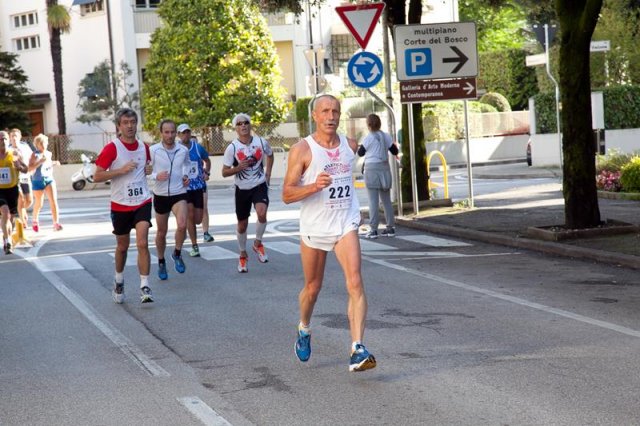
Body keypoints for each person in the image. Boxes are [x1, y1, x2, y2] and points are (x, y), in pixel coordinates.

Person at [282, 94, 377, 372]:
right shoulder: (302, 149)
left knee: (355, 282)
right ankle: (304, 327)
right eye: (325, 111)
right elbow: (287, 194)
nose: (331, 116)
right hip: (315, 226)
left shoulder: (349, 145)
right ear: (315, 116)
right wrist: (313, 186)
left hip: (344, 223)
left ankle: (357, 348)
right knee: (313, 288)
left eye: (335, 111)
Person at [94, 108, 154, 304]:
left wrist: (148, 170)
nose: (130, 126)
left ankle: (145, 285)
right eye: (125, 123)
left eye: (133, 122)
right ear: (119, 126)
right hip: (120, 204)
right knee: (122, 246)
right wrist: (120, 170)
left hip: (142, 201)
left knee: (143, 243)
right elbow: (97, 175)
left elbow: (146, 169)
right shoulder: (112, 148)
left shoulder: (144, 148)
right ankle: (118, 280)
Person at [222, 113, 274, 273]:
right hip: (242, 189)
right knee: (242, 224)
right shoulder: (232, 148)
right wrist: (238, 168)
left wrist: (268, 174)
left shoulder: (260, 142)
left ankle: (258, 243)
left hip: (259, 184)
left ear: (250, 125)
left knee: (262, 212)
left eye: (246, 123)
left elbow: (270, 155)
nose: (243, 126)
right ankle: (243, 254)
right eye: (239, 124)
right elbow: (224, 172)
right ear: (235, 128)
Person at [149, 119, 190, 281]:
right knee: (161, 232)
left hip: (179, 192)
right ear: (161, 133)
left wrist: (186, 175)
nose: (170, 135)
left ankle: (177, 253)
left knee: (182, 225)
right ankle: (161, 260)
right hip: (160, 195)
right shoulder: (153, 150)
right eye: (166, 132)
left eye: (172, 132)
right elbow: (143, 172)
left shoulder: (182, 149)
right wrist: (155, 176)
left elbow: (187, 165)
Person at [357, 113, 399, 239]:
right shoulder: (386, 136)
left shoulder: (368, 138)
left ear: (368, 125)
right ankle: (390, 228)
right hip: (385, 169)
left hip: (372, 170)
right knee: (386, 200)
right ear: (379, 123)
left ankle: (374, 229)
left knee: (373, 201)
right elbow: (395, 151)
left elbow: (360, 153)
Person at [177, 123, 211, 258]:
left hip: (198, 187)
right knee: (190, 215)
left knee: (198, 219)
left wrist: (207, 172)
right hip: (185, 188)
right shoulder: (176, 149)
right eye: (183, 133)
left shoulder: (197, 148)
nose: (186, 135)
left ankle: (190, 230)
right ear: (178, 135)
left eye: (187, 132)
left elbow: (207, 160)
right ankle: (194, 245)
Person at [0, 130, 28, 254]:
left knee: (10, 217)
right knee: (5, 212)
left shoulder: (15, 153)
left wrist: (19, 167)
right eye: (0, 139)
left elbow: (26, 169)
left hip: (12, 189)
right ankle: (7, 241)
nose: (3, 141)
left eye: (5, 138)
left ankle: (8, 237)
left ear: (8, 140)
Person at [28, 134, 63, 232]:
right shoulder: (34, 155)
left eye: (44, 142)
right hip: (37, 180)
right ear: (37, 144)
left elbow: (47, 165)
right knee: (39, 203)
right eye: (40, 143)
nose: (43, 145)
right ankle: (35, 220)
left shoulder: (49, 153)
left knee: (53, 201)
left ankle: (56, 223)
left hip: (48, 179)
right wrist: (39, 162)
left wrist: (54, 163)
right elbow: (29, 168)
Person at [8, 129, 33, 228]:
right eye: (12, 136)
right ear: (10, 138)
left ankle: (22, 211)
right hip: (15, 178)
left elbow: (31, 159)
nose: (14, 138)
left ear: (20, 137)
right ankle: (23, 221)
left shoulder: (25, 147)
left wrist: (32, 169)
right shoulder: (8, 149)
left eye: (15, 136)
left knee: (29, 200)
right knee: (21, 199)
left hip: (25, 176)